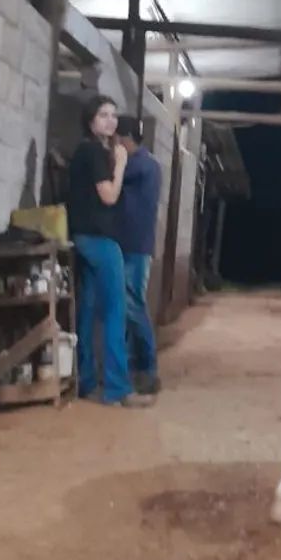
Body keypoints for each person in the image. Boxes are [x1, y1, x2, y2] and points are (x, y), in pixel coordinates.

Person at [67, 95, 152, 408]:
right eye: (103, 115)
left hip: (82, 238)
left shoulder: (83, 151)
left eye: (113, 115)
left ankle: (87, 382)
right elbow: (109, 196)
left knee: (88, 312)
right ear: (91, 120)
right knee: (116, 312)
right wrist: (121, 165)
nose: (110, 121)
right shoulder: (96, 153)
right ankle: (117, 389)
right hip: (101, 241)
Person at [114, 115, 162, 396]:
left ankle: (147, 368)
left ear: (124, 139)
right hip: (136, 245)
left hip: (133, 245)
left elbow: (110, 180)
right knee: (130, 307)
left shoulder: (137, 165)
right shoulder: (149, 164)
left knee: (132, 306)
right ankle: (137, 368)